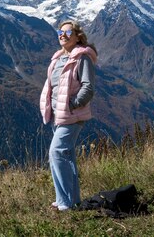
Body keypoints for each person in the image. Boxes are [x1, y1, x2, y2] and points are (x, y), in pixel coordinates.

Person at [39, 20, 97, 211]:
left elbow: (88, 86)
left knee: (56, 153)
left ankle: (65, 203)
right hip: (58, 114)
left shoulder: (82, 58)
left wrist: (74, 104)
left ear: (77, 36)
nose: (62, 35)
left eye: (67, 32)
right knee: (67, 156)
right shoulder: (57, 59)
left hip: (72, 115)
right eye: (60, 32)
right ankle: (72, 199)